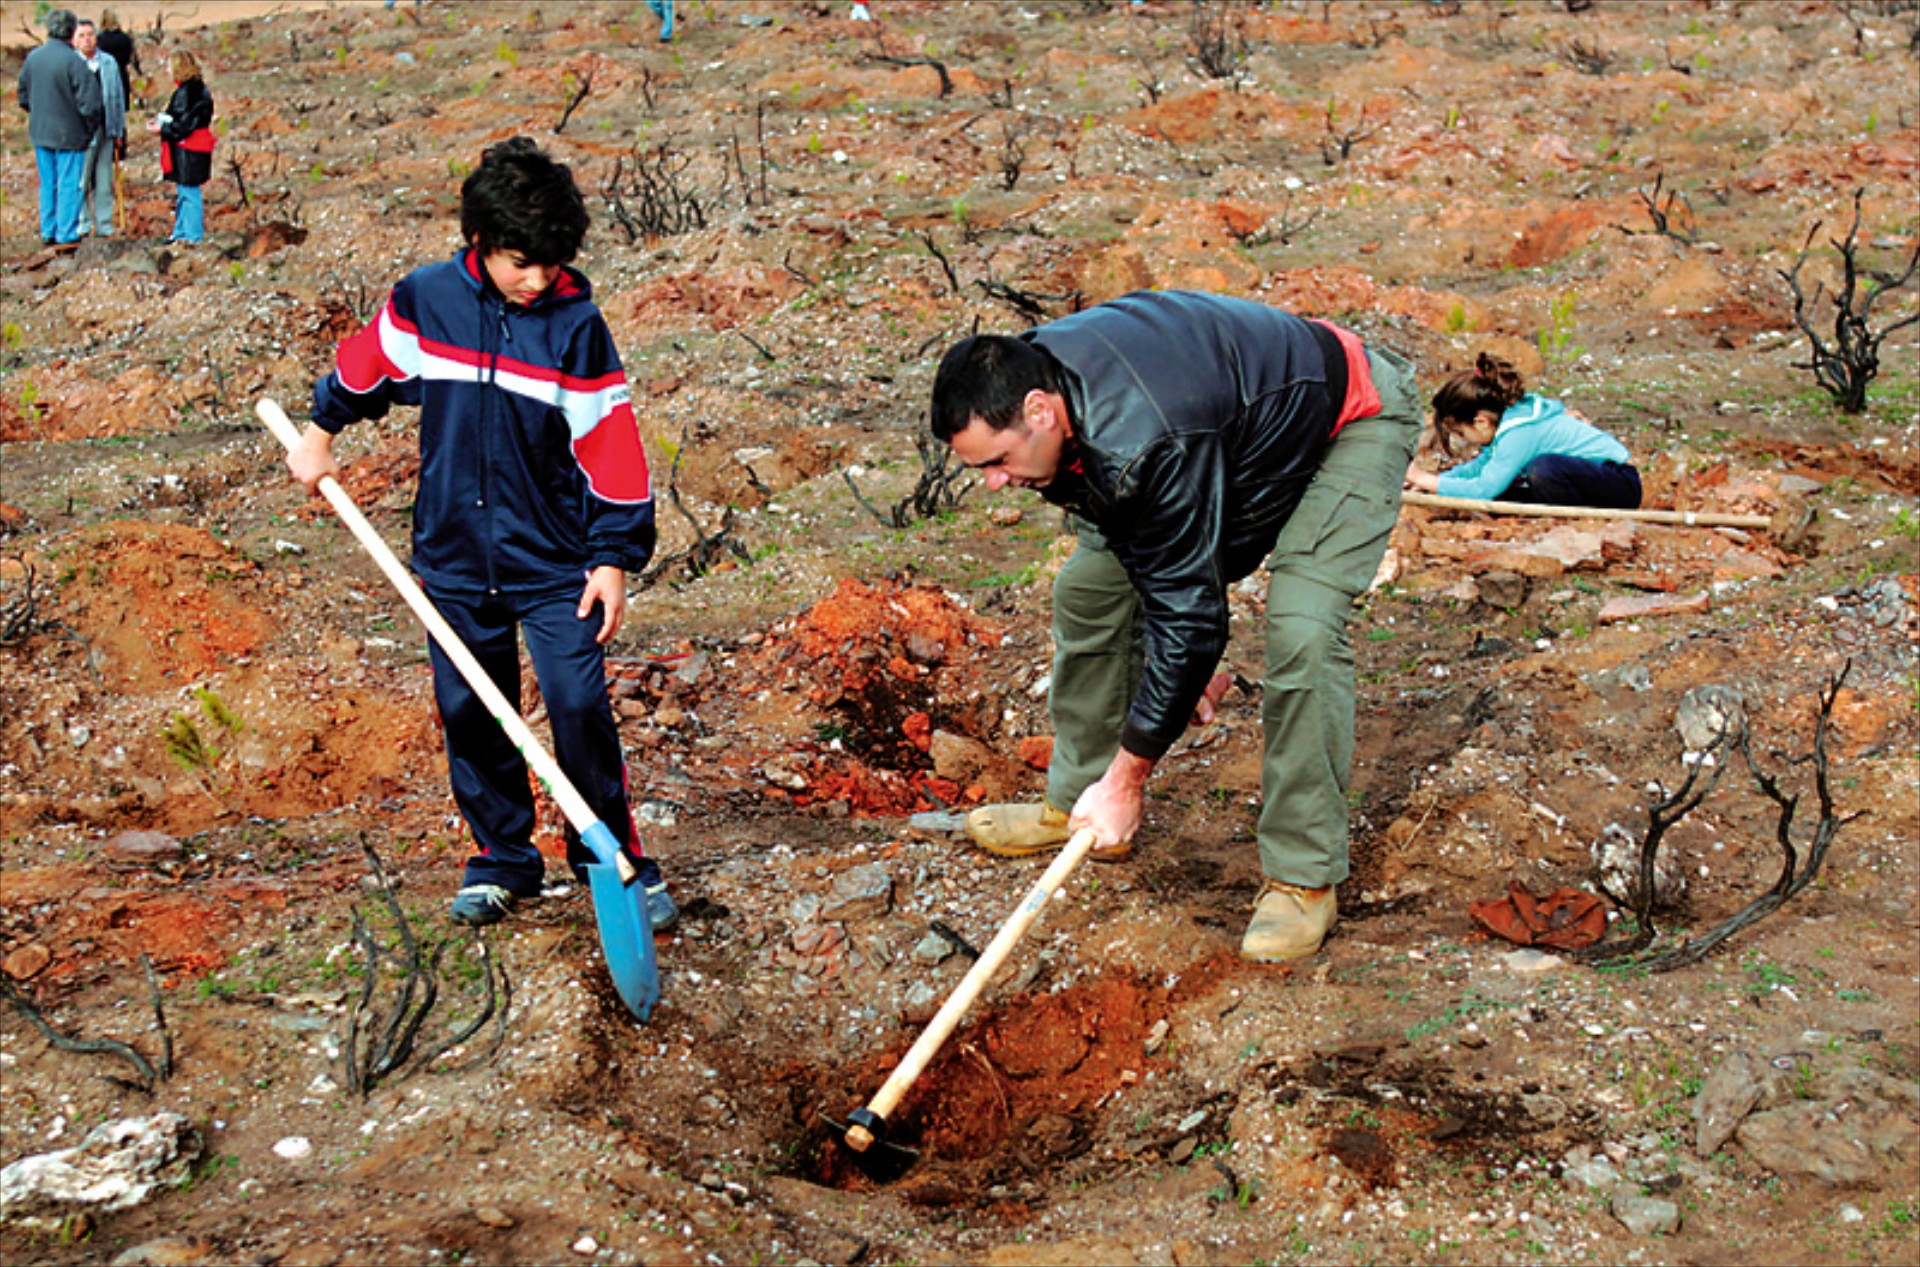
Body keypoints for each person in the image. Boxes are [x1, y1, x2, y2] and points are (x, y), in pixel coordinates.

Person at [930, 291, 1421, 961]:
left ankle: (1303, 877)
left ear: (1039, 411)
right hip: (1231, 432)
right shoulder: (1038, 379)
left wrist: (1138, 764)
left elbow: (1189, 605)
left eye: (995, 462)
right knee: (1089, 588)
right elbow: (1141, 540)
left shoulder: (1148, 435)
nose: (991, 483)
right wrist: (1182, 673)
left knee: (1302, 627)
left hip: (1347, 417)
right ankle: (1080, 804)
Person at [285, 137, 677, 933]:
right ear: (480, 242)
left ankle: (614, 858)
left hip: (553, 557)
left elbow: (611, 443)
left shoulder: (574, 324)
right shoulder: (428, 301)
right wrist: (321, 428)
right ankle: (502, 857)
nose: (536, 280)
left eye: (549, 263)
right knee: (470, 707)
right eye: (519, 262)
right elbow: (369, 366)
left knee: (576, 704)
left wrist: (612, 557)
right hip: (455, 554)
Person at [1404, 352, 1642, 509]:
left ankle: (1571, 517)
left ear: (1482, 422)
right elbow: (1481, 468)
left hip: (1618, 482)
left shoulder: (1519, 432)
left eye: (1462, 433)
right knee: (1505, 489)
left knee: (1543, 470)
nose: (1464, 441)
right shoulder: (1507, 421)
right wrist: (1438, 482)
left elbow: (1484, 488)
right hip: (1584, 478)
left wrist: (1426, 480)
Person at [17, 8, 103, 247]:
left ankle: (48, 229)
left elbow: (23, 96)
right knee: (68, 184)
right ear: (72, 31)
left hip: (41, 132)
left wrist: (39, 113)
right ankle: (66, 233)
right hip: (70, 134)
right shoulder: (74, 62)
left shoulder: (34, 58)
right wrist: (88, 128)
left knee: (48, 183)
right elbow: (91, 103)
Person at [146, 49, 214, 245]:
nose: (166, 70)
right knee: (185, 191)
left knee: (189, 192)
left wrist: (163, 128)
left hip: (188, 150)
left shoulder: (187, 92)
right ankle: (181, 232)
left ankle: (191, 235)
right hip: (194, 148)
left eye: (169, 65)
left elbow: (183, 125)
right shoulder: (197, 89)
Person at [73, 19, 127, 238]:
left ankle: (104, 224)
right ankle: (83, 223)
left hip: (106, 129)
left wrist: (119, 129)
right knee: (81, 181)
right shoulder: (72, 64)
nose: (87, 40)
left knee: (104, 181)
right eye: (82, 36)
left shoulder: (109, 62)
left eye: (90, 35)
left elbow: (118, 98)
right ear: (74, 40)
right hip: (81, 133)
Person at [95, 10, 141, 101]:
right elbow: (130, 59)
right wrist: (139, 72)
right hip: (121, 76)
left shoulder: (99, 39)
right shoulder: (125, 38)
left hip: (104, 78)